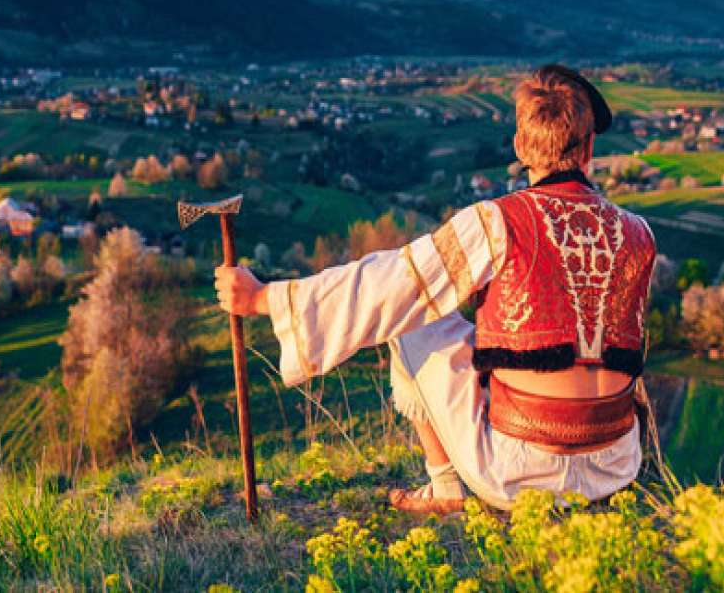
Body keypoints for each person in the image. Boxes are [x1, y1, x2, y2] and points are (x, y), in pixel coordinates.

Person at [215, 65, 656, 514]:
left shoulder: (496, 222)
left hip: (518, 473)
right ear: (589, 149)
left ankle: (445, 486)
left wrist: (263, 298)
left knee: (408, 314)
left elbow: (387, 284)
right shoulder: (640, 233)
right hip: (616, 465)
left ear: (520, 146)